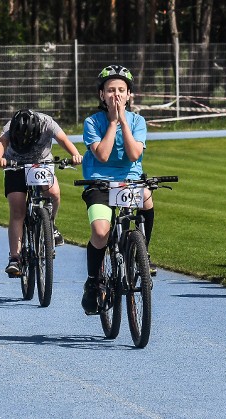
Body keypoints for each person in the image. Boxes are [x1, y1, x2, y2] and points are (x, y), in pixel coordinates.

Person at [80, 64, 156, 315]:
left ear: (129, 94)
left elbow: (134, 154)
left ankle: (142, 253)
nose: (116, 95)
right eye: (110, 90)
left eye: (121, 90)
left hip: (129, 181)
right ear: (102, 94)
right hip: (99, 182)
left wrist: (123, 120)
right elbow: (101, 155)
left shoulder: (138, 121)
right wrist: (112, 122)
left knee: (146, 197)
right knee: (101, 232)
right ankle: (93, 281)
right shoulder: (92, 122)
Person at [0, 109, 83, 276]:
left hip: (41, 163)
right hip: (15, 164)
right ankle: (15, 257)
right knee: (17, 209)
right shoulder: (9, 127)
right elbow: (1, 143)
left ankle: (51, 224)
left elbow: (62, 139)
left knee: (54, 193)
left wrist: (75, 155)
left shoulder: (47, 122)